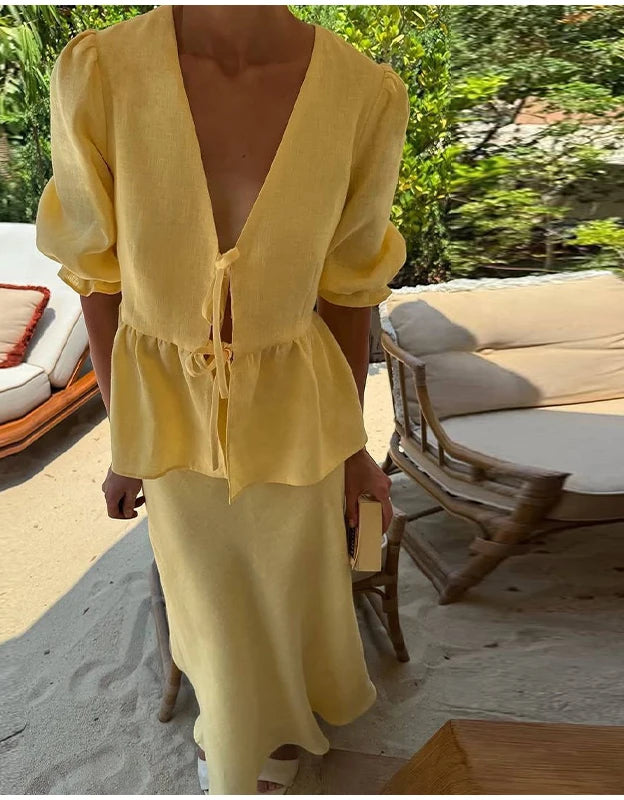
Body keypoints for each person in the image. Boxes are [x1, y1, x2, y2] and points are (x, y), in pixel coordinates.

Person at [35, 4, 409, 794]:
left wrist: (355, 448)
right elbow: (98, 279)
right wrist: (123, 441)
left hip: (299, 400)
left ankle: (290, 709)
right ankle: (240, 748)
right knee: (208, 592)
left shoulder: (362, 92)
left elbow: (348, 290)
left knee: (296, 575)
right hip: (166, 403)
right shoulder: (101, 72)